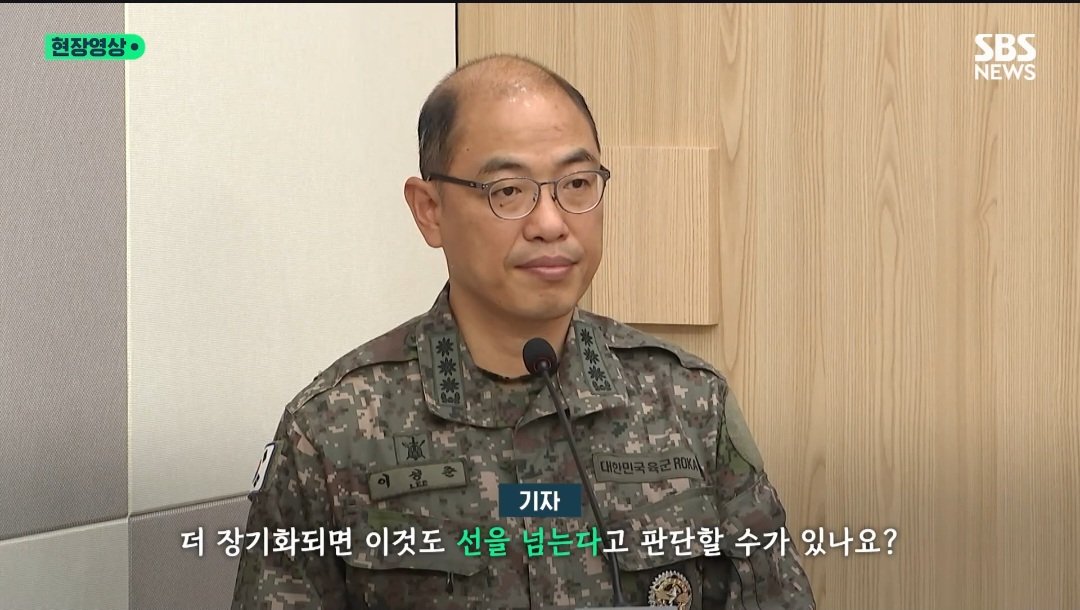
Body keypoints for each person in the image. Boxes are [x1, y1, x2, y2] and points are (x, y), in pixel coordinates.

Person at [232, 53, 816, 610]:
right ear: (430, 210)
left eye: (577, 184)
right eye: (508, 191)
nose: (551, 223)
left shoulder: (689, 403)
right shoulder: (332, 430)